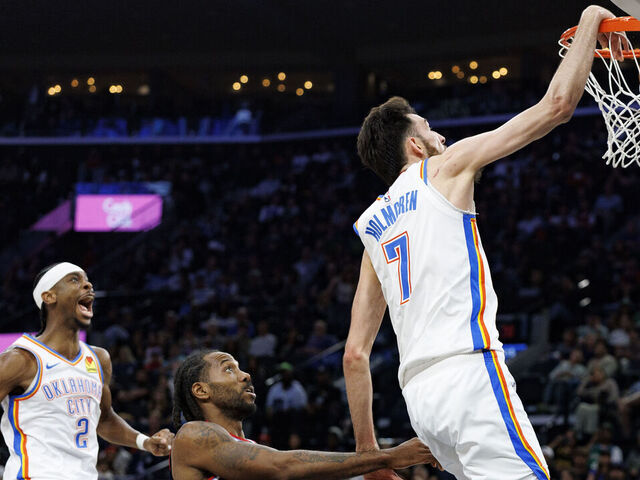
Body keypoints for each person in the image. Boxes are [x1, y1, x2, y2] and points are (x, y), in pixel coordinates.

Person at [343, 6, 625, 480]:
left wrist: (369, 453)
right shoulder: (443, 167)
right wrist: (593, 18)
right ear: (415, 146)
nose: (442, 135)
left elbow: (354, 354)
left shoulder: (370, 224)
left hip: (420, 400)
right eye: (430, 130)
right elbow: (556, 106)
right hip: (468, 373)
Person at [0, 262, 173, 479]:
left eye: (87, 279)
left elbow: (105, 419)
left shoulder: (99, 359)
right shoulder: (21, 358)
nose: (88, 284)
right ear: (49, 296)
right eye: (74, 279)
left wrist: (144, 442)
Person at [170, 350, 441, 480]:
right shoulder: (193, 435)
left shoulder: (249, 448)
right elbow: (282, 466)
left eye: (240, 367)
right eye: (228, 369)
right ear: (200, 390)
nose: (245, 375)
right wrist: (387, 457)